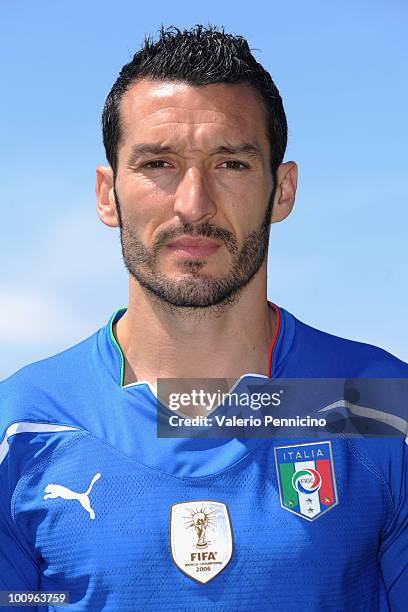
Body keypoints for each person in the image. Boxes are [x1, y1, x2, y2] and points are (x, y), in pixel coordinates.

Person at [0, 25, 407, 611]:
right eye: (159, 164)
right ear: (107, 194)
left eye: (232, 164)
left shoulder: (381, 406)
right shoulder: (22, 427)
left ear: (282, 190)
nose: (194, 204)